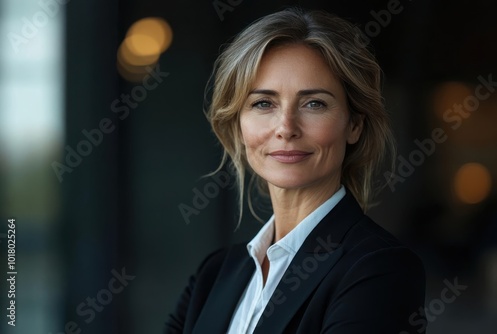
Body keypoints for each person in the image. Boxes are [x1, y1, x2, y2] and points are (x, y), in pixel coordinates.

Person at [165, 7, 427, 334]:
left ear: (354, 125)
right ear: (238, 125)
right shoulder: (214, 275)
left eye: (313, 103)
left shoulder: (380, 269)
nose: (286, 128)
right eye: (263, 103)